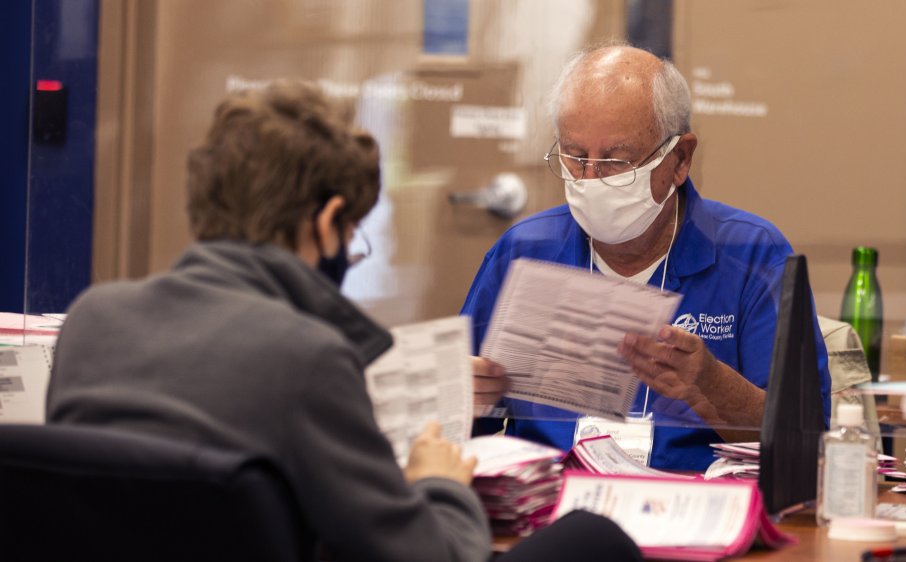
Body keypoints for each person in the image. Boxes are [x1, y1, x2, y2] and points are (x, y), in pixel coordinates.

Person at [46, 82, 640, 562]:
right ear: (328, 221)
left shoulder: (93, 319)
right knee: (592, 539)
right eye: (354, 232)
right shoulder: (306, 356)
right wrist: (438, 484)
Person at [464, 44, 831, 471]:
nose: (590, 179)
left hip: (694, 512)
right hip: (551, 508)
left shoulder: (751, 255)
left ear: (680, 158)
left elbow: (809, 442)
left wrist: (709, 385)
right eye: (576, 156)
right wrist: (465, 399)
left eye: (616, 161)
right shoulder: (525, 249)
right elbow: (452, 436)